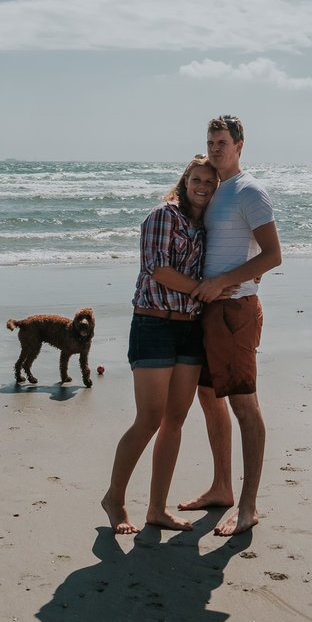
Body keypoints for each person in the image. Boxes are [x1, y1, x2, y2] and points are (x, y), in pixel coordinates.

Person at [101, 155, 219, 535]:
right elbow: (158, 268)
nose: (202, 186)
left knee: (175, 420)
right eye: (196, 179)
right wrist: (205, 290)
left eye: (209, 182)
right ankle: (114, 500)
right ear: (185, 181)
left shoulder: (205, 227)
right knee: (149, 418)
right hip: (153, 323)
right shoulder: (163, 216)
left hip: (190, 328)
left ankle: (157, 510)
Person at [178, 115, 281, 537]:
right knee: (209, 398)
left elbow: (273, 255)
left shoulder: (249, 191)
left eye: (222, 142)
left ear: (240, 145)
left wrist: (223, 281)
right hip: (207, 314)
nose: (216, 149)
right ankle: (221, 487)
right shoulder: (217, 191)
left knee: (243, 404)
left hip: (236, 312)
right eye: (210, 141)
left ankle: (249, 505)